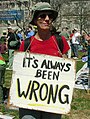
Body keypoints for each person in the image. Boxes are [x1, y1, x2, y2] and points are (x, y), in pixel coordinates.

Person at [19, 2, 70, 119]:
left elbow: (67, 71)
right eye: (42, 16)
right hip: (29, 100)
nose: (46, 19)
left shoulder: (60, 41)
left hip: (53, 100)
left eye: (49, 16)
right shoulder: (26, 44)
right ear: (35, 20)